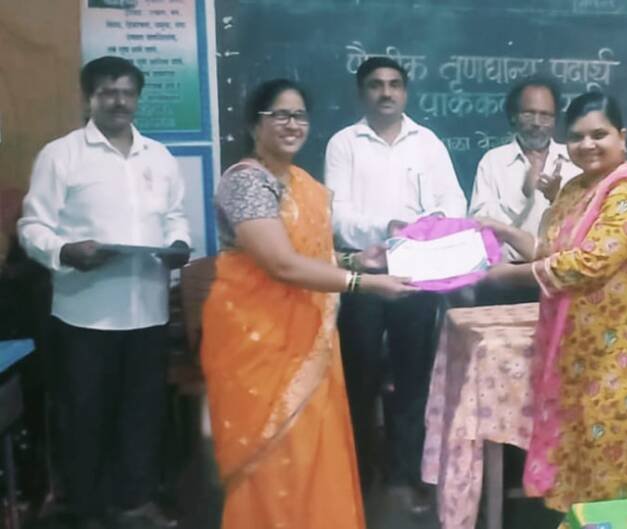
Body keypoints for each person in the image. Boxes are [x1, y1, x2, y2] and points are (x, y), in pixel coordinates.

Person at [200, 78, 414, 529]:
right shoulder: (245, 183)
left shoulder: (303, 184)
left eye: (299, 115)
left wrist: (358, 259)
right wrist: (364, 283)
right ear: (254, 125)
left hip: (308, 342)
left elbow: (312, 256)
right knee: (274, 459)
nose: (292, 124)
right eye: (279, 115)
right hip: (259, 345)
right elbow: (281, 264)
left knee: (313, 452)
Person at [483, 92, 627, 513]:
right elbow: (552, 250)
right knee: (584, 454)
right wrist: (504, 232)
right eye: (577, 136)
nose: (587, 145)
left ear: (622, 136)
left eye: (599, 134)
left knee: (612, 461)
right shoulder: (576, 189)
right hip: (584, 352)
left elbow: (588, 263)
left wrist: (507, 276)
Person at [17, 56, 191, 529]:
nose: (119, 101)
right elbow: (32, 227)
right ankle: (86, 510)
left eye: (127, 92)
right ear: (88, 98)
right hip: (85, 314)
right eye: (108, 92)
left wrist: (178, 244)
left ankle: (136, 501)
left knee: (143, 413)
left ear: (138, 98)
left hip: (147, 309)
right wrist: (65, 250)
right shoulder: (62, 155)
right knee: (84, 416)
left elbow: (174, 216)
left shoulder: (158, 156)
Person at [324, 56, 466, 511]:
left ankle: (407, 471)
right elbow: (337, 215)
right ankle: (359, 472)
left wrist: (427, 226)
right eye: (376, 85)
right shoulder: (343, 144)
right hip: (364, 275)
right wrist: (387, 227)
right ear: (361, 93)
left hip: (417, 272)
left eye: (394, 84)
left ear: (405, 92)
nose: (386, 92)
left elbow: (454, 201)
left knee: (414, 376)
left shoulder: (428, 142)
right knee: (359, 376)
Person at [469, 76, 580, 305]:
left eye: (545, 115)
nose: (537, 122)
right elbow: (480, 226)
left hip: (560, 278)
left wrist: (557, 198)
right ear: (513, 116)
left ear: (555, 119)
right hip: (504, 279)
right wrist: (524, 193)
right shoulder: (493, 161)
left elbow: (585, 226)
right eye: (529, 114)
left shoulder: (574, 161)